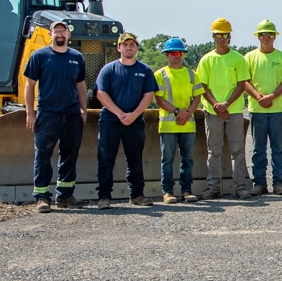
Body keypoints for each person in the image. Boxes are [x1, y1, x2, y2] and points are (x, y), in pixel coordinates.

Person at [23, 20, 87, 213]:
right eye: (56, 31)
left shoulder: (77, 57)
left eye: (63, 31)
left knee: (69, 154)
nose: (60, 34)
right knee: (43, 154)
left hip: (71, 114)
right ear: (50, 35)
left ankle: (65, 195)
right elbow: (29, 85)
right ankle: (42, 197)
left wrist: (83, 109)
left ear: (69, 35)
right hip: (47, 114)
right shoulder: (39, 56)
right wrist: (30, 113)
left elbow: (80, 85)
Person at [94, 33, 159, 209]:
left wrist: (134, 114)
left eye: (132, 44)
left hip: (135, 122)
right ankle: (104, 197)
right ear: (118, 48)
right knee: (106, 159)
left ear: (137, 47)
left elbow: (148, 95)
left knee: (135, 159)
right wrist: (120, 113)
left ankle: (137, 195)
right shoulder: (108, 69)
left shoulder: (145, 70)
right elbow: (101, 93)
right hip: (110, 121)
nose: (129, 48)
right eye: (125, 45)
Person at [196, 17, 252, 200]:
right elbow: (203, 86)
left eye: (224, 35)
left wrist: (226, 104)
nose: (221, 38)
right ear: (213, 36)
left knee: (238, 151)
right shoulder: (206, 60)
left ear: (230, 37)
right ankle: (213, 187)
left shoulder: (238, 59)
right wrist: (216, 105)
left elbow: (242, 84)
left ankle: (240, 187)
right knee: (214, 151)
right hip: (212, 112)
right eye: (218, 35)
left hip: (234, 111)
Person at [154, 37, 205, 204]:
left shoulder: (192, 74)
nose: (177, 56)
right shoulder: (160, 74)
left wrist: (188, 112)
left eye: (180, 53)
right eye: (174, 53)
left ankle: (186, 190)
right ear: (167, 55)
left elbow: (198, 96)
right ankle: (167, 192)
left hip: (188, 124)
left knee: (187, 159)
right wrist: (177, 112)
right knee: (167, 160)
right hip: (169, 126)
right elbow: (159, 99)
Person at [244, 19, 282, 195]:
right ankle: (260, 184)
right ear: (258, 36)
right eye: (263, 34)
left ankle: (279, 183)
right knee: (258, 149)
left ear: (275, 37)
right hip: (257, 110)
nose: (266, 38)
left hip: (278, 109)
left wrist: (272, 96)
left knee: (278, 148)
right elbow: (244, 81)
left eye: (270, 34)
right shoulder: (249, 57)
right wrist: (258, 96)